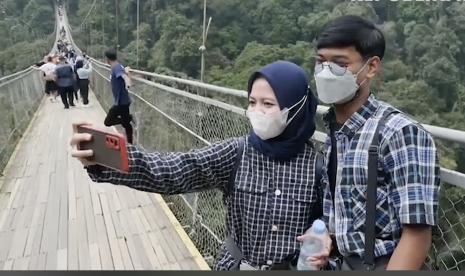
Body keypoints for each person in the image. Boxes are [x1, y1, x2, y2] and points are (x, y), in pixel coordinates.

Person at [70, 61, 324, 270]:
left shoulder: (319, 166)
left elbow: (333, 228)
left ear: (297, 107)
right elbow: (177, 169)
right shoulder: (238, 152)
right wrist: (108, 158)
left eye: (268, 104)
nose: (256, 111)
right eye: (252, 102)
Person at [304, 15, 440, 270]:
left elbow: (417, 235)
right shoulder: (337, 132)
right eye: (321, 62)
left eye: (340, 64)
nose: (325, 72)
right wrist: (326, 237)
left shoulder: (399, 133)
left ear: (372, 67)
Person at [102, 49, 134, 144]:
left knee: (108, 122)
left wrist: (127, 83)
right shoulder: (118, 66)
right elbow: (125, 74)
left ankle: (129, 118)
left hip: (121, 102)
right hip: (123, 101)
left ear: (107, 59)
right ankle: (130, 143)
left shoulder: (117, 68)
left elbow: (124, 77)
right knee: (126, 124)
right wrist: (127, 74)